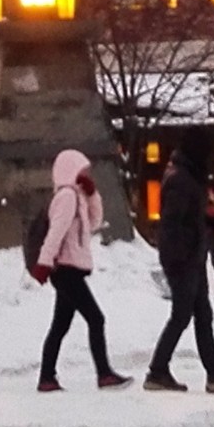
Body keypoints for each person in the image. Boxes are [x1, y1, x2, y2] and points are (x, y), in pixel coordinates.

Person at [145, 127, 214, 395]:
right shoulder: (181, 179)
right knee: (182, 314)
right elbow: (173, 224)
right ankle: (157, 370)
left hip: (192, 255)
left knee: (202, 314)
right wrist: (183, 257)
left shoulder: (188, 176)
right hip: (184, 257)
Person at [32, 147, 132, 392]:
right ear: (71, 170)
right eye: (83, 169)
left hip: (72, 269)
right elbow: (56, 232)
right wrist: (44, 263)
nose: (87, 173)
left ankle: (47, 377)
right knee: (96, 318)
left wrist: (93, 195)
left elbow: (94, 223)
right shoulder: (66, 197)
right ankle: (104, 374)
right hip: (65, 269)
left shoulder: (77, 196)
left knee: (60, 325)